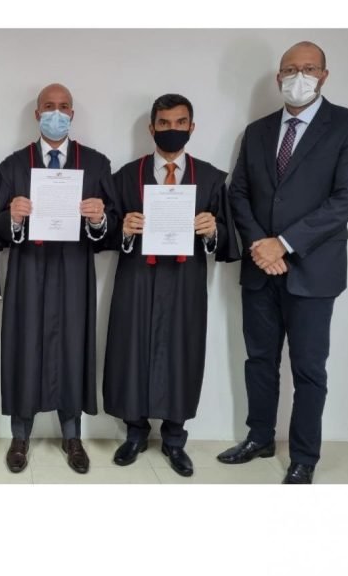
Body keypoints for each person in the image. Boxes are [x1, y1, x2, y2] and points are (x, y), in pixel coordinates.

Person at [218, 41, 348, 484]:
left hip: (313, 270)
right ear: (278, 77)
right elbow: (239, 193)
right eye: (290, 69)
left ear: (324, 75)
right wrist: (260, 245)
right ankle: (259, 437)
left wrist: (284, 244)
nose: (298, 76)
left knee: (308, 368)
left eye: (308, 68)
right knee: (259, 360)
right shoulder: (257, 131)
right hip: (259, 268)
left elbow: (346, 199)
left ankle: (304, 456)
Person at [102, 94, 239, 477]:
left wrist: (212, 231)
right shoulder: (126, 176)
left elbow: (229, 238)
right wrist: (123, 229)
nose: (172, 129)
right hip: (137, 279)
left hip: (184, 281)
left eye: (180, 123)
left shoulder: (211, 178)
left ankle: (175, 439)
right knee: (131, 350)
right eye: (164, 123)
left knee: (182, 351)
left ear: (192, 128)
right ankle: (134, 433)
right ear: (152, 128)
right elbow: (104, 232)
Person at [0, 83, 120, 474]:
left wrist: (98, 218)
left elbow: (114, 227)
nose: (57, 113)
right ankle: (20, 436)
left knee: (73, 349)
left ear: (72, 114)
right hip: (28, 271)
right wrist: (12, 217)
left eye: (64, 106)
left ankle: (72, 437)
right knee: (23, 348)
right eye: (49, 106)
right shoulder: (13, 166)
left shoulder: (95, 164)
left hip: (73, 269)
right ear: (37, 114)